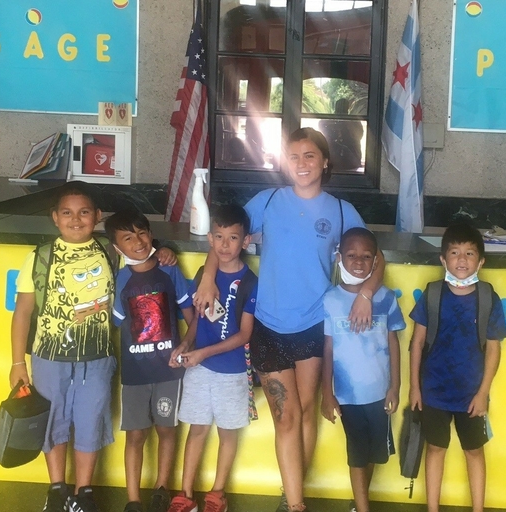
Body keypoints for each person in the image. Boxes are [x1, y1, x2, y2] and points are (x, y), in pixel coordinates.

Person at [192, 128, 385, 512]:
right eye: (293, 156)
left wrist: (365, 294)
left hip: (314, 325)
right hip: (267, 325)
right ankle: (296, 503)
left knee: (306, 411)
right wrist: (210, 276)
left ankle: (291, 497)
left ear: (325, 162)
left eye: (310, 156)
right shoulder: (269, 201)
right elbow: (222, 236)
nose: (301, 163)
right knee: (286, 418)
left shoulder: (343, 211)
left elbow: (375, 260)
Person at [9, 181, 177, 512]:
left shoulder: (108, 253)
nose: (76, 219)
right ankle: (57, 489)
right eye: (67, 213)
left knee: (90, 420)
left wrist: (164, 247)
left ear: (97, 216)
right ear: (55, 217)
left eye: (84, 212)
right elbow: (23, 312)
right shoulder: (39, 257)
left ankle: (84, 492)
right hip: (49, 357)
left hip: (97, 357)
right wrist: (17, 363)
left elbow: (139, 249)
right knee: (53, 419)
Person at [408, 222, 506, 512]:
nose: (461, 260)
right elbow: (417, 343)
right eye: (454, 252)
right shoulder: (433, 293)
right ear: (443, 259)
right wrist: (416, 388)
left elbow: (493, 348)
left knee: (474, 451)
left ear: (481, 261)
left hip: (471, 394)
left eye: (469, 253)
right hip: (433, 392)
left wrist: (483, 392)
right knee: (435, 449)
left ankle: (478, 508)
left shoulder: (488, 298)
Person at [166, 204, 258, 512]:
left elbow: (244, 335)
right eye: (218, 236)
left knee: (227, 432)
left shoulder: (250, 282)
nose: (224, 244)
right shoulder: (204, 276)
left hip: (232, 372)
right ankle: (185, 495)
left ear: (246, 241)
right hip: (199, 369)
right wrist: (185, 345)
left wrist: (203, 352)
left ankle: (217, 494)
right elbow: (196, 321)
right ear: (209, 238)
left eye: (233, 238)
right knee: (197, 429)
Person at [106, 208, 193, 512]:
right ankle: (132, 500)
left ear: (151, 234)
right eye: (128, 238)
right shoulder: (120, 279)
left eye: (142, 232)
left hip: (169, 371)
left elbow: (190, 314)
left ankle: (161, 489)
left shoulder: (170, 271)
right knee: (135, 435)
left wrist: (186, 344)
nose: (138, 241)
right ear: (118, 248)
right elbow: (113, 322)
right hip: (134, 374)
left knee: (167, 430)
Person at [321, 227, 405, 512]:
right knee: (357, 454)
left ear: (375, 262)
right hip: (348, 397)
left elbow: (393, 342)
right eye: (351, 255)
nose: (358, 262)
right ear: (339, 258)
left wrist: (395, 386)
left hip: (380, 394)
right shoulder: (330, 301)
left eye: (366, 256)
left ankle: (360, 503)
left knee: (373, 454)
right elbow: (328, 350)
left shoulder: (386, 298)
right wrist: (327, 394)